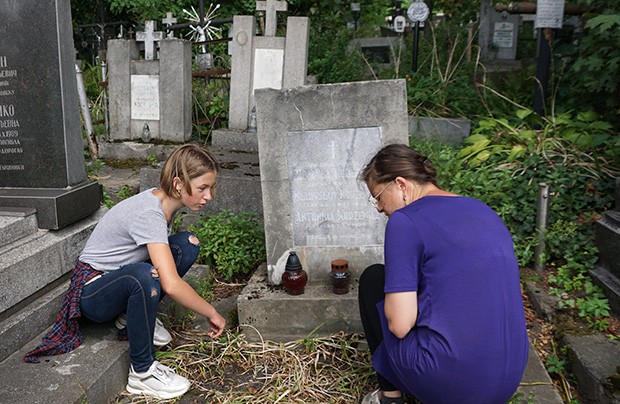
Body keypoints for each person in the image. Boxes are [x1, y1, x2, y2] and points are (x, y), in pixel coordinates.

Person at [24, 144, 226, 400]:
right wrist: (211, 312)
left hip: (116, 278)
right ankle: (142, 373)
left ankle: (128, 316)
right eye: (202, 188)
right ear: (178, 183)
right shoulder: (149, 214)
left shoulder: (163, 203)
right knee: (145, 275)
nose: (209, 195)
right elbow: (171, 284)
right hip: (92, 292)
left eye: (210, 187)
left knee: (186, 245)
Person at [357, 144, 528, 404]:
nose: (379, 207)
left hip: (454, 386)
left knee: (373, 280)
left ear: (401, 185)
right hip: (508, 378)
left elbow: (400, 326)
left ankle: (389, 396)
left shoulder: (405, 221)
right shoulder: (483, 210)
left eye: (378, 196)